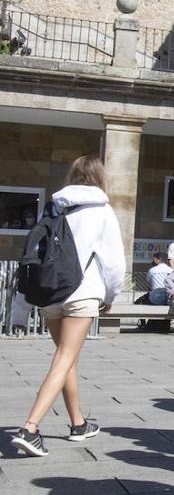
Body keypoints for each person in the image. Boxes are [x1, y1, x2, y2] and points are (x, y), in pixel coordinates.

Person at [10, 155, 124, 457]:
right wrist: (111, 295)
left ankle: (78, 423)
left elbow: (32, 255)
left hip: (49, 295)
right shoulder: (102, 210)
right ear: (100, 177)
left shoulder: (53, 207)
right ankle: (30, 429)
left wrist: (20, 310)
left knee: (66, 358)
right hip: (82, 293)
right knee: (64, 358)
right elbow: (113, 263)